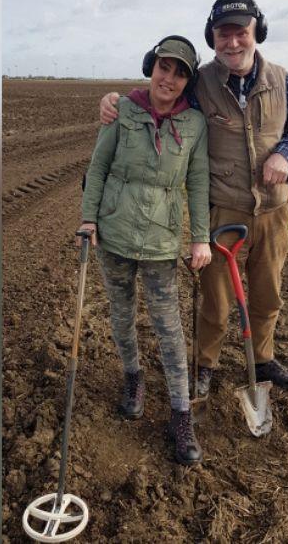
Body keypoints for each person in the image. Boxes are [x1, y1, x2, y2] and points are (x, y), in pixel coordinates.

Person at [99, 0, 288, 401]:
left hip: (272, 209)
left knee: (268, 294)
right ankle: (204, 365)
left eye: (241, 32)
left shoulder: (283, 81)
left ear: (257, 33)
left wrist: (286, 153)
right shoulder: (201, 83)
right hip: (223, 211)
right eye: (223, 34)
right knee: (215, 301)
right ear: (212, 39)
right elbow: (162, 99)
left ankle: (263, 358)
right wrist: (117, 101)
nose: (232, 42)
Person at [80, 35, 212, 465]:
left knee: (168, 328)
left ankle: (180, 414)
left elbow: (198, 183)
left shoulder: (194, 124)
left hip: (160, 241)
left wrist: (200, 238)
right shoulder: (122, 109)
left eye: (179, 72)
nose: (168, 78)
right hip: (114, 233)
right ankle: (133, 380)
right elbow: (98, 166)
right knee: (121, 315)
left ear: (187, 80)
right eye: (163, 67)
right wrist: (88, 219)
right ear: (151, 66)